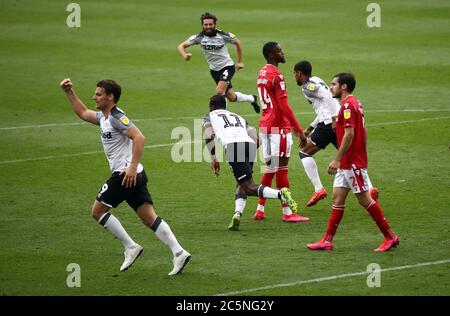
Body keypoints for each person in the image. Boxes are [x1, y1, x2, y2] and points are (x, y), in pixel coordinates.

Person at [60, 78, 191, 274]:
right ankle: (179, 252)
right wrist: (69, 92)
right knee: (148, 218)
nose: (93, 97)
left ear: (110, 97)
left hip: (125, 174)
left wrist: (131, 167)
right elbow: (83, 112)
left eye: (98, 94)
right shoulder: (104, 118)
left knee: (97, 212)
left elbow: (139, 137)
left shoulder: (116, 117)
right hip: (134, 175)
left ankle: (131, 247)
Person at [307, 73, 399, 252]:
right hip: (350, 162)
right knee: (337, 198)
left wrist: (337, 159)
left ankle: (390, 236)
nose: (331, 87)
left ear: (344, 86)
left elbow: (349, 134)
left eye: (334, 84)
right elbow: (363, 131)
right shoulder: (355, 103)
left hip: (350, 162)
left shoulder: (348, 105)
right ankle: (327, 240)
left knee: (365, 199)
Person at [204, 95, 298, 231]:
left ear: (211, 106)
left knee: (249, 186)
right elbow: (256, 137)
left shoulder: (210, 116)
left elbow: (208, 134)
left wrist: (213, 158)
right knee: (242, 182)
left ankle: (280, 194)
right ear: (225, 106)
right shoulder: (237, 116)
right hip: (250, 144)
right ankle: (237, 214)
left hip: (233, 146)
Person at [293, 61, 379, 207]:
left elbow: (327, 97)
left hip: (329, 123)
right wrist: (310, 128)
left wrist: (333, 119)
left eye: (294, 73)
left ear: (299, 73)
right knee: (348, 155)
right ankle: (370, 189)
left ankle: (318, 189)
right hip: (333, 121)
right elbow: (323, 107)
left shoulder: (307, 87)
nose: (294, 76)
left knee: (304, 153)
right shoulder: (317, 79)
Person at [252, 42, 309, 223]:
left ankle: (260, 210)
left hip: (265, 126)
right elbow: (284, 106)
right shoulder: (277, 76)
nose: (283, 53)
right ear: (271, 55)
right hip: (278, 127)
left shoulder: (262, 73)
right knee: (282, 169)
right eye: (279, 51)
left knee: (270, 168)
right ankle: (287, 213)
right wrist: (299, 131)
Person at [177, 12, 260, 113]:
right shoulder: (199, 37)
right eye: (206, 24)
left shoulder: (222, 35)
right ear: (202, 25)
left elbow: (237, 42)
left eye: (210, 24)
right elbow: (181, 46)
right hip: (214, 70)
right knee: (231, 97)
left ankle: (222, 117)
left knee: (220, 91)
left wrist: (240, 62)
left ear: (214, 24)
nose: (208, 27)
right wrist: (185, 56)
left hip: (227, 66)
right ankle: (252, 98)